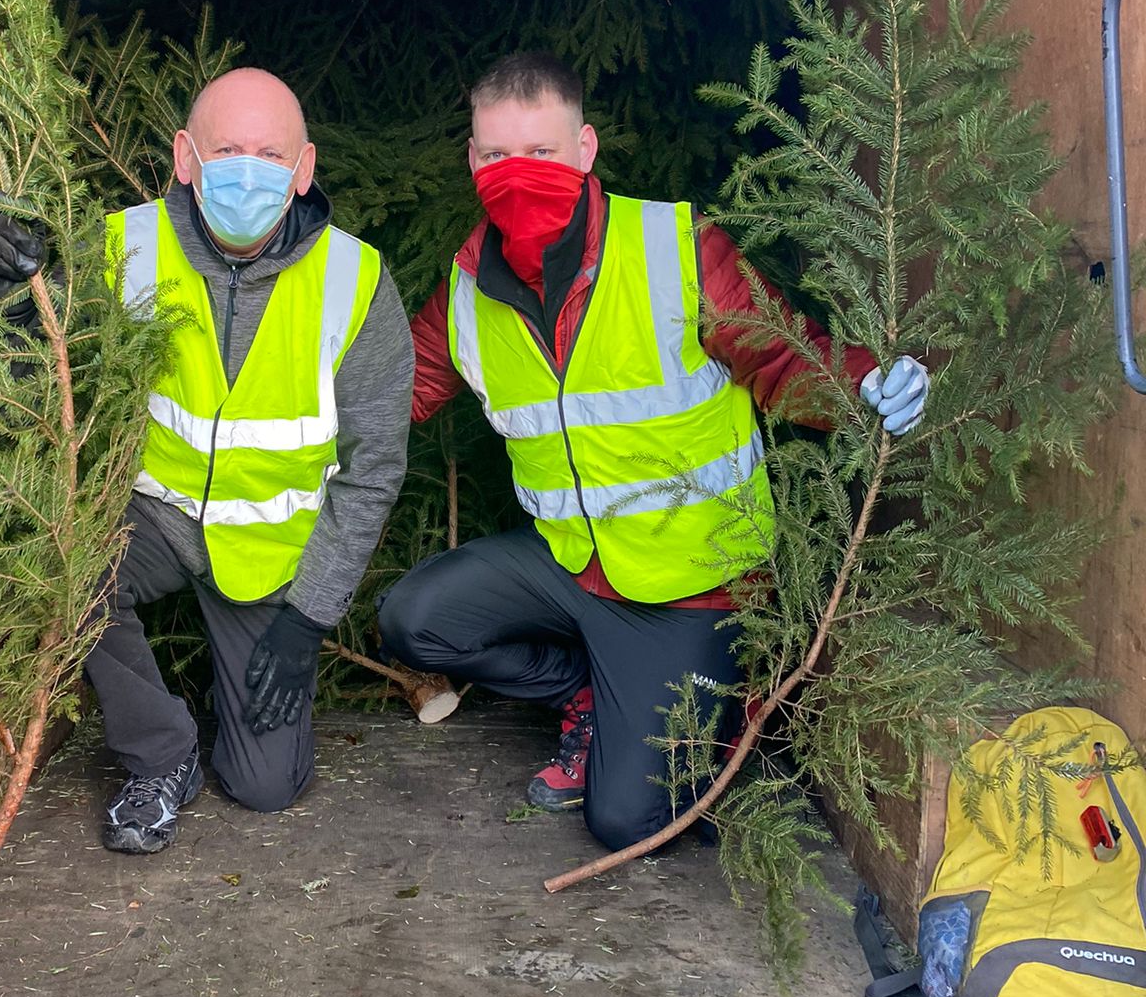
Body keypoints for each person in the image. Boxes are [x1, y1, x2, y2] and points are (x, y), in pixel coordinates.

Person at [378, 52, 928, 855]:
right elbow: (399, 388)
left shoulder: (674, 248)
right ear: (472, 160)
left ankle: (713, 701)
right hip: (570, 566)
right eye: (496, 157)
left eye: (541, 154)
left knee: (630, 823)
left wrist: (866, 384)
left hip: (695, 584)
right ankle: (590, 693)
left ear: (586, 150)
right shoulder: (467, 288)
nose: (517, 174)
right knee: (414, 619)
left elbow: (781, 357)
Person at [0, 67, 414, 854]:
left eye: (271, 154)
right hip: (152, 517)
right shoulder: (121, 246)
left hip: (272, 551)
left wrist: (310, 615)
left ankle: (234, 716)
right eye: (227, 149)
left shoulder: (356, 282)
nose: (249, 170)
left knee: (265, 787)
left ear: (305, 168)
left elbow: (374, 465)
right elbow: (11, 379)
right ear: (185, 157)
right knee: (70, 564)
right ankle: (161, 753)